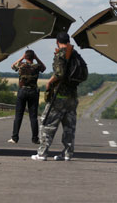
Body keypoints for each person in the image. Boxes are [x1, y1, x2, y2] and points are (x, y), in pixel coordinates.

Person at [31, 32, 78, 161]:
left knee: (47, 123)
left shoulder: (61, 54)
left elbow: (59, 73)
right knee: (69, 127)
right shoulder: (74, 54)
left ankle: (42, 153)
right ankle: (68, 154)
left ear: (57, 41)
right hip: (72, 97)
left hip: (59, 97)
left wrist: (50, 82)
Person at [8, 49, 46, 144]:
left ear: (26, 57)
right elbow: (44, 68)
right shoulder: (36, 66)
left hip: (22, 91)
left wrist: (22, 58)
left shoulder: (21, 65)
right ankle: (35, 138)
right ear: (33, 57)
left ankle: (15, 137)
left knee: (18, 116)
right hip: (33, 92)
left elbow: (13, 66)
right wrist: (36, 58)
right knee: (33, 117)